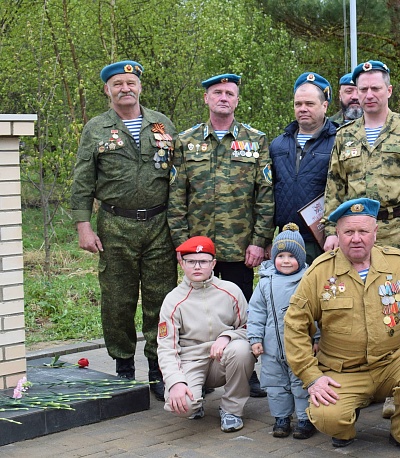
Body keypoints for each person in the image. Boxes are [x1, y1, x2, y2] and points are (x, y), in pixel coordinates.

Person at [284, 198, 400, 457]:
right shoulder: (320, 272)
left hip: (392, 363)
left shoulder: (397, 264)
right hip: (343, 371)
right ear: (338, 234)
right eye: (348, 232)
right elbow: (295, 324)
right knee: (326, 416)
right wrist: (311, 377)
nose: (356, 238)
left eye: (363, 231)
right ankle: (344, 427)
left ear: (375, 233)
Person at [70, 60, 177, 401]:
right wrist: (83, 226)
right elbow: (83, 179)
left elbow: (178, 177)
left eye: (130, 83)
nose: (125, 89)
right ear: (107, 90)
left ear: (140, 87)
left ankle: (158, 370)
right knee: (118, 300)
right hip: (115, 225)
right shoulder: (96, 128)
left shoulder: (162, 124)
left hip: (160, 225)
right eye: (117, 84)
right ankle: (123, 369)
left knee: (160, 302)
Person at [168, 73, 273, 397]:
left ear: (237, 100)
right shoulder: (186, 141)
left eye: (229, 93)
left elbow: (265, 195)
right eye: (217, 92)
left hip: (241, 248)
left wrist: (258, 241)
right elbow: (176, 196)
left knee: (241, 312)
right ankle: (201, 370)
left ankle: (246, 370)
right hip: (199, 251)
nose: (223, 97)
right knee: (198, 314)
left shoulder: (255, 140)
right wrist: (182, 246)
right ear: (207, 99)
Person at [322, 60, 400, 257]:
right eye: (363, 89)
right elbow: (335, 186)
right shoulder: (344, 135)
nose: (369, 95)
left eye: (376, 88)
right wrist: (331, 231)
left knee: (396, 287)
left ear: (389, 90)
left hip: (399, 232)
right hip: (355, 233)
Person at [157, 236, 256, 433]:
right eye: (191, 261)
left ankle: (231, 410)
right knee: (182, 405)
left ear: (213, 263)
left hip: (222, 358)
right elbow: (166, 347)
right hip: (190, 360)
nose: (197, 267)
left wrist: (227, 336)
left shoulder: (231, 291)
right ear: (181, 263)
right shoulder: (173, 300)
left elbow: (250, 328)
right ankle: (195, 394)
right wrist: (175, 382)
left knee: (242, 350)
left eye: (203, 261)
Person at [247, 224, 316, 440]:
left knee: (301, 382)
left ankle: (305, 419)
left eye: (291, 256)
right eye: (281, 255)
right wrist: (255, 338)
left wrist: (318, 338)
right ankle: (281, 418)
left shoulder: (307, 281)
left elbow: (318, 313)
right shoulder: (265, 282)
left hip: (300, 348)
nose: (285, 261)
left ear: (301, 257)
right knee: (275, 383)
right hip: (272, 348)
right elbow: (256, 311)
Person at [270, 72, 337, 263]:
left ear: (324, 106)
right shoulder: (278, 145)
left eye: (310, 104)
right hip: (287, 239)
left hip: (325, 240)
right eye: (298, 104)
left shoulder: (340, 141)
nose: (303, 109)